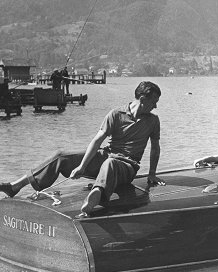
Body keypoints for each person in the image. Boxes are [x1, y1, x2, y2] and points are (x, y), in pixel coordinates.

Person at [0, 81, 166, 216]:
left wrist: (152, 174)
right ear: (143, 99)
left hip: (127, 166)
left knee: (111, 164)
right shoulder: (116, 114)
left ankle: (96, 196)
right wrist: (82, 166)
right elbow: (97, 140)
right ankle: (15, 186)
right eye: (154, 101)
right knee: (61, 156)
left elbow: (155, 148)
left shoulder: (153, 121)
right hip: (107, 155)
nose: (155, 106)